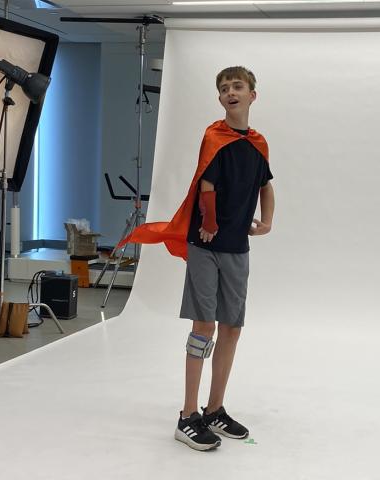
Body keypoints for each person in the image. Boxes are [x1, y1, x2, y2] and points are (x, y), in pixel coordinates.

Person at [123, 66, 275, 451]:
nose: (230, 92)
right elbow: (206, 184)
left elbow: (266, 185)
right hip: (205, 245)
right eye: (224, 88)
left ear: (253, 94)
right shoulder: (214, 136)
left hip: (237, 246)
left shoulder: (258, 144)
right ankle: (187, 414)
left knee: (232, 327)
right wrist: (207, 221)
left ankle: (215, 408)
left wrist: (267, 221)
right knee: (204, 325)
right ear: (220, 98)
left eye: (237, 86)